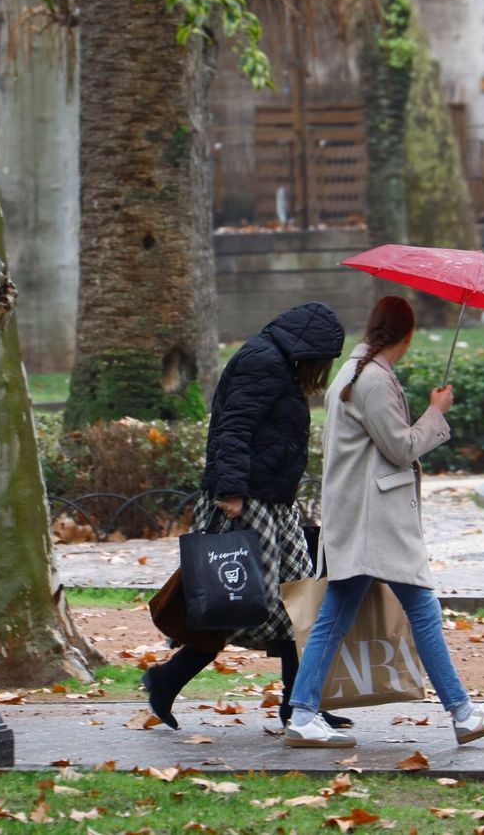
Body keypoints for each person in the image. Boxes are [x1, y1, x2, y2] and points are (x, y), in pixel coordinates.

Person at [284, 295, 484, 748]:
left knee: (338, 615)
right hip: (377, 520)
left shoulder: (355, 372)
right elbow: (401, 447)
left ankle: (303, 712)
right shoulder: (373, 379)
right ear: (407, 336)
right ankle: (463, 714)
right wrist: (437, 411)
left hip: (361, 516)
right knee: (422, 610)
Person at [142, 301, 354, 732]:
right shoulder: (264, 362)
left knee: (300, 601)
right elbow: (233, 426)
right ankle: (167, 679)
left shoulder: (275, 361)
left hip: (274, 503)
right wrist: (231, 491)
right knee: (233, 601)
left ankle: (300, 703)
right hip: (247, 503)